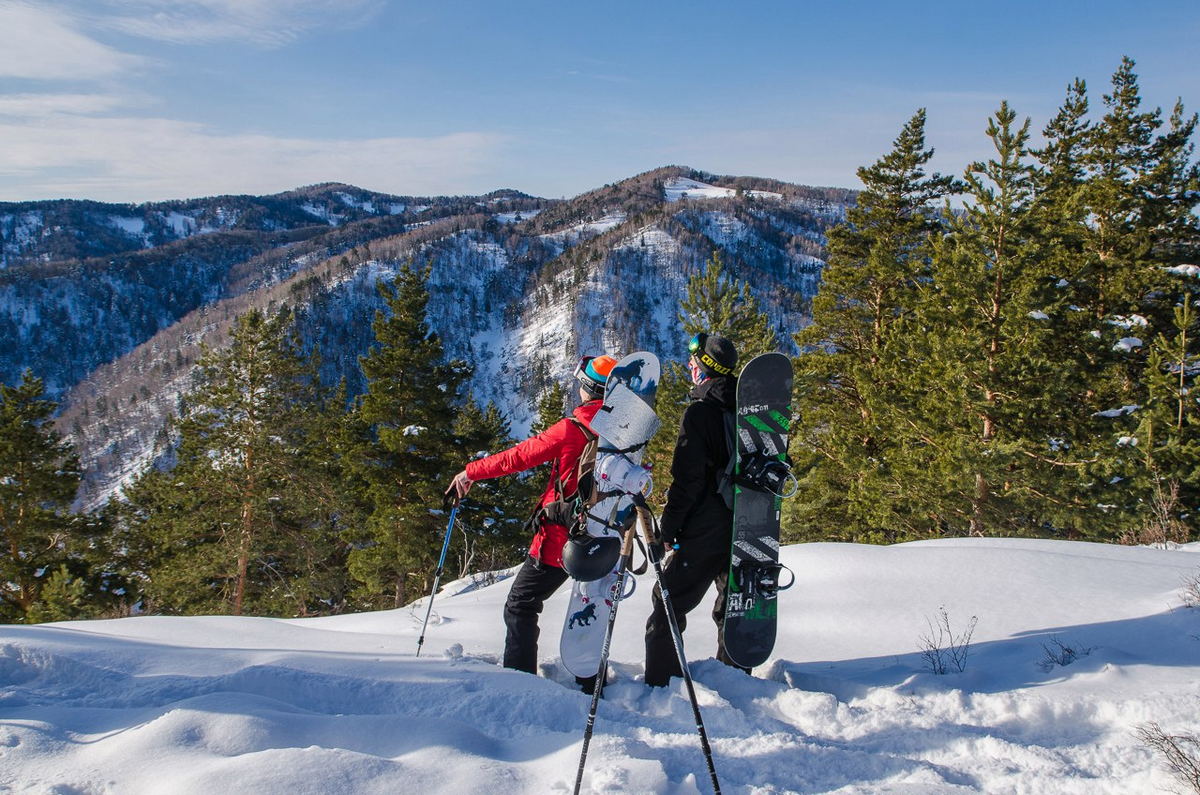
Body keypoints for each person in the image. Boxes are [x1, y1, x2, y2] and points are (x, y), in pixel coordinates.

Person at [446, 354, 617, 688]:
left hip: (562, 541)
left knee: (520, 606)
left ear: (587, 388)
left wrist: (470, 472)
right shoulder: (624, 431)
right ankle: (591, 679)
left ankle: (521, 684)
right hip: (606, 537)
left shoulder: (572, 429)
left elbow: (518, 457)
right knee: (593, 607)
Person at [644, 332, 745, 687]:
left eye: (694, 360)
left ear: (705, 367)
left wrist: (666, 533)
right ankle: (736, 681)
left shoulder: (700, 413)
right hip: (744, 523)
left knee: (667, 600)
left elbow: (687, 483)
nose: (689, 364)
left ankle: (661, 685)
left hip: (705, 525)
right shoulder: (748, 407)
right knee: (731, 605)